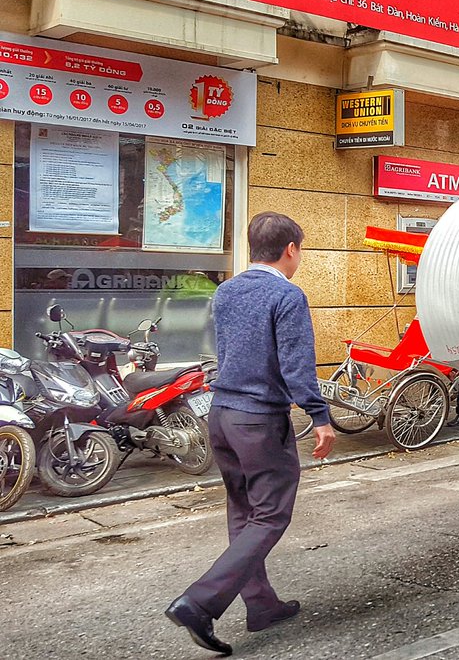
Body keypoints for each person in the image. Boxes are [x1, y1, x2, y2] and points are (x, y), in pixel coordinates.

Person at [166, 212, 336, 656]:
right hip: (259, 420)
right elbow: (296, 366)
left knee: (243, 514)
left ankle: (261, 606)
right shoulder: (287, 295)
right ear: (291, 249)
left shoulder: (227, 291)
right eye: (301, 250)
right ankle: (200, 602)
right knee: (270, 516)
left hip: (222, 414)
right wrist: (319, 416)